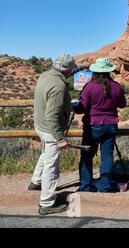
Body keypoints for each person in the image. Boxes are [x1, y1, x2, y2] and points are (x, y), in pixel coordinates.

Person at [29, 54, 81, 215]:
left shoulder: (46, 75)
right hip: (51, 130)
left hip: (40, 125)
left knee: (46, 154)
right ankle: (46, 203)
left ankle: (35, 182)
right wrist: (60, 138)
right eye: (72, 71)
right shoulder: (59, 86)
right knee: (52, 166)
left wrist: (83, 67)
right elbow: (52, 115)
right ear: (68, 71)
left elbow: (50, 102)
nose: (73, 73)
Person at [73, 58, 126, 193]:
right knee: (107, 157)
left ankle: (85, 186)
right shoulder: (117, 86)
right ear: (108, 71)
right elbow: (122, 104)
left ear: (95, 71)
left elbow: (82, 108)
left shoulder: (89, 87)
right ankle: (104, 187)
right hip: (111, 125)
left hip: (93, 126)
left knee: (87, 156)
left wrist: (74, 107)